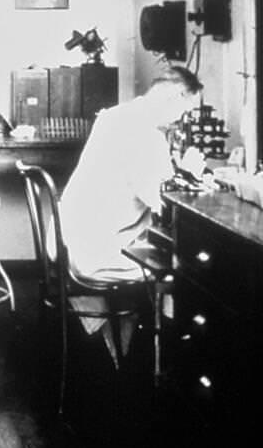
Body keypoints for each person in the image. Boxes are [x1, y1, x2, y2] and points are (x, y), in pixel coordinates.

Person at [56, 65, 205, 360]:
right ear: (175, 97)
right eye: (184, 111)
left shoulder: (113, 116)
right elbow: (161, 202)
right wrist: (191, 173)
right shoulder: (147, 136)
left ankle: (121, 350)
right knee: (179, 273)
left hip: (66, 241)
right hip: (94, 253)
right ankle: (158, 362)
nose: (180, 121)